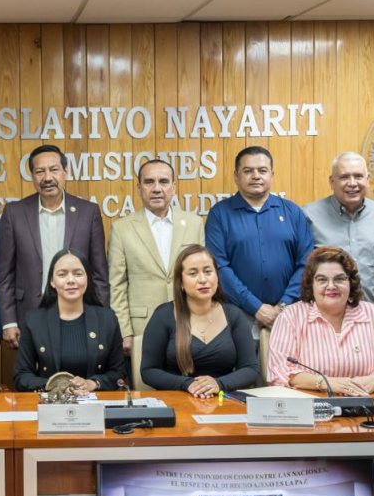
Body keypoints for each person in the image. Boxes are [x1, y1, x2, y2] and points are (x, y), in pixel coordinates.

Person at [0, 144, 109, 349]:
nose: (47, 177)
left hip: (79, 312)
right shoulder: (15, 213)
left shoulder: (88, 212)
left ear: (65, 172)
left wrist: (101, 317)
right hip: (29, 314)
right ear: (32, 176)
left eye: (54, 170)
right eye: (40, 171)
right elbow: (5, 275)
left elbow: (99, 274)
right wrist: (9, 322)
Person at [206, 146, 314, 340]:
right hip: (238, 315)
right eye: (248, 171)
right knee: (244, 361)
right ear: (236, 176)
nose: (256, 176)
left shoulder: (293, 212)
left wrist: (283, 305)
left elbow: (306, 263)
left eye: (262, 170)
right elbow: (219, 266)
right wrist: (256, 307)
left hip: (289, 313)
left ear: (271, 175)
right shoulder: (219, 214)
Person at [268, 247, 374, 395]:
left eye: (339, 279)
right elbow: (280, 372)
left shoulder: (371, 314)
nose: (331, 286)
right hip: (312, 404)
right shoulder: (291, 317)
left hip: (366, 401)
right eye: (322, 280)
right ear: (311, 284)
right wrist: (325, 383)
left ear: (351, 282)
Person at [108, 158, 204, 356]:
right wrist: (125, 331)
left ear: (173, 187)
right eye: (149, 182)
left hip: (189, 323)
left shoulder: (194, 223)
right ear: (139, 188)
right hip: (142, 328)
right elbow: (116, 285)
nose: (157, 189)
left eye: (164, 182)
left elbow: (202, 279)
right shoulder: (122, 228)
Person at [303, 152, 374, 327]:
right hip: (323, 320)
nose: (352, 183)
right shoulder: (309, 216)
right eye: (344, 177)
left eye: (358, 176)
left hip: (373, 318)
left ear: (367, 179)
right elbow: (301, 269)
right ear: (332, 181)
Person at [140, 245, 260, 396]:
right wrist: (187, 384)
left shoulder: (233, 315)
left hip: (223, 399)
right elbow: (149, 371)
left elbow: (250, 369)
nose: (203, 279)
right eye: (193, 273)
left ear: (217, 276)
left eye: (208, 271)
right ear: (181, 282)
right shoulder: (163, 315)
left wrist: (218, 383)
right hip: (178, 399)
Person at [13, 249, 125, 392]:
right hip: (52, 401)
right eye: (62, 274)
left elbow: (118, 373)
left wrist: (93, 383)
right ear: (52, 281)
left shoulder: (107, 319)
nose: (71, 280)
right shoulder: (34, 321)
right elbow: (21, 376)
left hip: (95, 401)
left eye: (78, 274)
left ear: (87, 278)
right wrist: (55, 387)